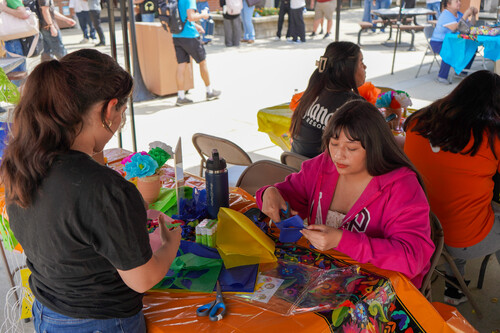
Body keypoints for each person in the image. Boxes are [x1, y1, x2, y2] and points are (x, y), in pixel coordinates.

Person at [0, 49, 182, 332]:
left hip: (47, 312)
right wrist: (170, 245)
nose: (120, 119)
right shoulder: (105, 189)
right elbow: (142, 279)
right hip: (101, 321)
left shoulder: (22, 162)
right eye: (122, 111)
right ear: (110, 110)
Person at [257, 100, 434, 289]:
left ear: (375, 147)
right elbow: (285, 196)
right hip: (326, 276)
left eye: (351, 148)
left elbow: (412, 258)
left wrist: (342, 240)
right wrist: (268, 193)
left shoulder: (401, 187)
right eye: (334, 144)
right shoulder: (322, 166)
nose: (338, 156)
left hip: (380, 290)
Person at [404, 70, 500, 305]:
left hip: (421, 232)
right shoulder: (491, 136)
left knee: (455, 205)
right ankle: (454, 286)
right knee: (468, 213)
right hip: (462, 239)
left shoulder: (418, 121)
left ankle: (454, 289)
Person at [290, 41, 366, 158]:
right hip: (320, 172)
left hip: (298, 168)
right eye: (361, 62)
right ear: (348, 69)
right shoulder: (353, 105)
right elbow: (376, 145)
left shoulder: (316, 90)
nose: (365, 67)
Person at [172, 0, 221, 106]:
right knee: (202, 62)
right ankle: (209, 91)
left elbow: (183, 17)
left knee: (181, 65)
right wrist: (203, 15)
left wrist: (194, 25)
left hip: (177, 36)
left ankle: (181, 97)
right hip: (190, 36)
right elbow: (191, 16)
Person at [429, 0, 477, 84]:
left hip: (454, 42)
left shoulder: (459, 14)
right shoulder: (446, 14)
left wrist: (473, 15)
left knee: (472, 48)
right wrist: (466, 14)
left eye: (459, 1)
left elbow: (470, 26)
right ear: (448, 4)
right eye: (456, 1)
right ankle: (442, 76)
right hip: (438, 42)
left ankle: (462, 71)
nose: (459, 3)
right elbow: (455, 28)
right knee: (450, 50)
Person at [0, 0, 29, 86]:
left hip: (12, 40)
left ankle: (18, 96)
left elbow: (23, 13)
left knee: (17, 73)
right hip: (10, 40)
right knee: (16, 72)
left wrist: (3, 8)